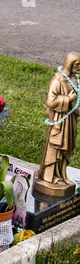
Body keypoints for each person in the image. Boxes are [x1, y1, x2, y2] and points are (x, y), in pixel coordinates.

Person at [36, 53, 80, 200]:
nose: (79, 69)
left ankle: (61, 174)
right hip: (59, 121)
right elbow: (50, 101)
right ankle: (49, 177)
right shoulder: (57, 80)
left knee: (66, 148)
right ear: (70, 64)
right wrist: (69, 99)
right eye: (77, 65)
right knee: (55, 148)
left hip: (69, 121)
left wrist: (75, 104)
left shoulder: (73, 80)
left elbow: (76, 102)